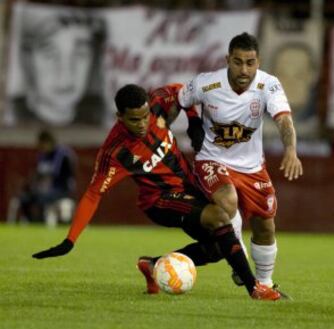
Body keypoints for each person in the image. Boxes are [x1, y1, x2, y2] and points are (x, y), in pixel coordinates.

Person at [32, 83, 284, 301]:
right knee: (220, 216)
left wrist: (193, 119)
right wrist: (70, 240)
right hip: (160, 201)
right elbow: (92, 195)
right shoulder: (116, 152)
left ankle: (153, 265)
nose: (142, 124)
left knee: (218, 248)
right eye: (134, 120)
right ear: (119, 116)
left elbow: (183, 91)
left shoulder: (158, 103)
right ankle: (255, 288)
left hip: (189, 189)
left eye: (145, 117)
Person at [178, 32, 303, 288]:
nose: (244, 69)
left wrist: (290, 149)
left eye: (250, 62)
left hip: (252, 167)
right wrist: (189, 121)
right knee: (228, 200)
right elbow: (178, 98)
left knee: (265, 227)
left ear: (258, 61)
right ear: (228, 59)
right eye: (238, 62)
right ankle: (240, 258)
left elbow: (283, 119)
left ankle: (264, 284)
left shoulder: (268, 84)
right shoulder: (206, 84)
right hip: (212, 160)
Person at [6, 5, 106, 126]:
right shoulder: (14, 115)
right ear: (27, 59)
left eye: (80, 54)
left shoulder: (104, 116)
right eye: (50, 54)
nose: (66, 74)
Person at [7, 130, 77, 226]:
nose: (41, 147)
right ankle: (31, 222)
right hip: (46, 190)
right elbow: (37, 174)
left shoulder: (62, 154)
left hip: (62, 190)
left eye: (42, 144)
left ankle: (42, 223)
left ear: (49, 142)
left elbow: (54, 174)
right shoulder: (43, 155)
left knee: (42, 198)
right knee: (25, 199)